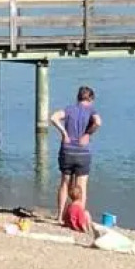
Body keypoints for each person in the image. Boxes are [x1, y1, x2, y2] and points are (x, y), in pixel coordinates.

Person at [49, 85, 100, 222]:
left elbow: (53, 117)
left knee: (64, 183)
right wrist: (87, 134)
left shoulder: (69, 109)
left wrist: (64, 133)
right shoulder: (91, 110)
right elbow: (98, 122)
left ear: (78, 97)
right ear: (91, 99)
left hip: (67, 150)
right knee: (82, 185)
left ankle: (60, 216)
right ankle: (79, 216)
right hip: (83, 152)